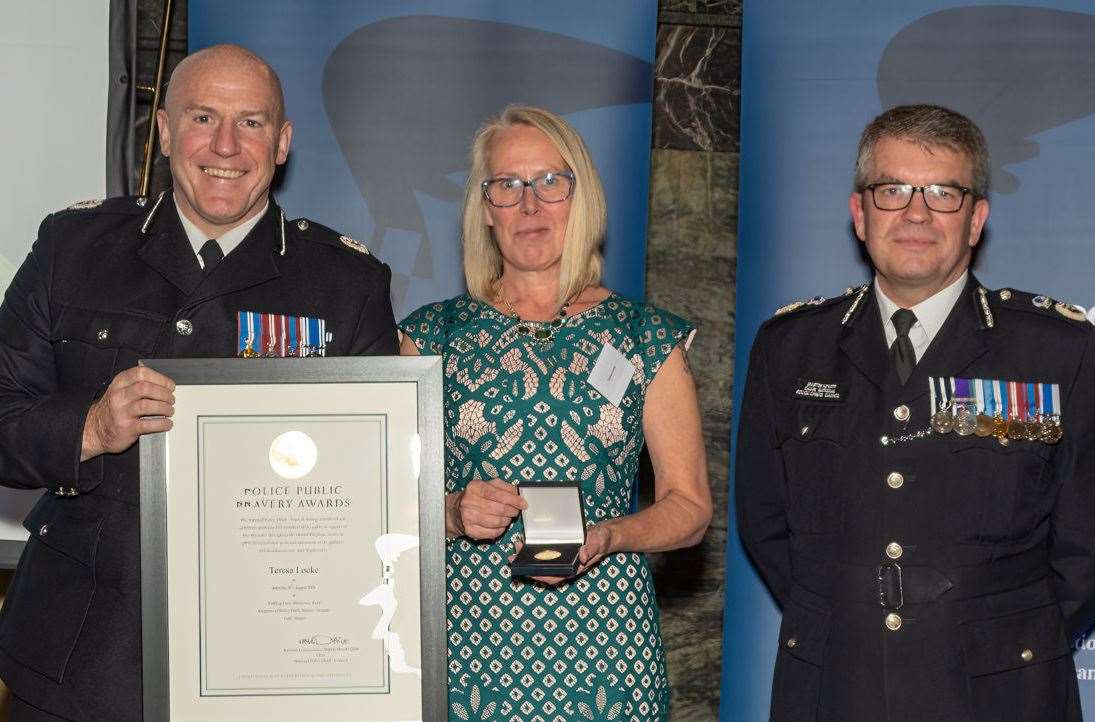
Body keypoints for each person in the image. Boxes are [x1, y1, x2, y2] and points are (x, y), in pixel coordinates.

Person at [0, 44, 397, 721]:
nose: (224, 145)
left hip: (270, 656)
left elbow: (376, 492)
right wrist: (90, 428)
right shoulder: (73, 249)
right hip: (82, 655)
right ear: (162, 131)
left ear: (282, 143)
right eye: (202, 117)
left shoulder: (347, 285)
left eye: (250, 123)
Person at [736, 104, 1095, 722]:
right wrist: (847, 615)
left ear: (977, 218)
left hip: (1001, 692)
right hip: (834, 686)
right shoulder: (788, 347)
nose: (916, 213)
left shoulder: (1060, 351)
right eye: (893, 190)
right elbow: (765, 522)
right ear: (860, 213)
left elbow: (1086, 543)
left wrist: (999, 638)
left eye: (943, 193)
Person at [400, 105, 711, 720]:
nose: (529, 205)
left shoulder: (646, 338)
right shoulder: (428, 339)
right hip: (466, 654)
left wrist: (612, 535)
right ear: (485, 209)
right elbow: (381, 506)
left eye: (550, 182)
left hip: (606, 657)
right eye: (507, 186)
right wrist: (452, 512)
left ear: (583, 197)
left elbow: (691, 509)